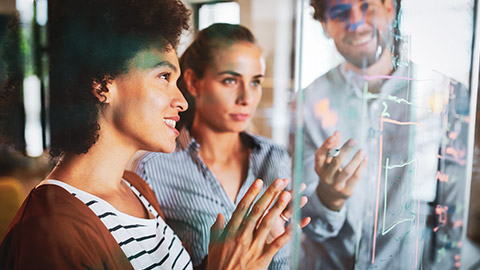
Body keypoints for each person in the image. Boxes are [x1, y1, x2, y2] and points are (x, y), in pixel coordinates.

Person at [0, 1, 300, 269]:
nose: (182, 101)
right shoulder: (49, 231)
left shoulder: (137, 188)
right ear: (103, 84)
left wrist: (241, 251)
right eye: (163, 77)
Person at [300, 0, 470, 269]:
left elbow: (453, 214)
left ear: (390, 8)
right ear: (325, 25)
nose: (356, 23)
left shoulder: (442, 95)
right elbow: (306, 224)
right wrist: (328, 199)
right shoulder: (307, 103)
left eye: (367, 6)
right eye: (341, 12)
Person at [132, 23, 310, 269]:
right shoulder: (152, 168)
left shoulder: (276, 158)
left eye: (256, 82)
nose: (246, 98)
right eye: (230, 81)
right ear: (194, 83)